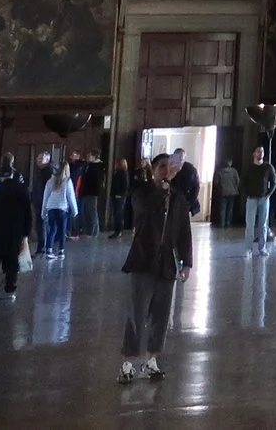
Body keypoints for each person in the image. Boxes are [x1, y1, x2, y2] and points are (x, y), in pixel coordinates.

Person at [120, 154, 193, 383]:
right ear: (153, 170)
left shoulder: (178, 198)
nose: (165, 171)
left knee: (161, 315)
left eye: (169, 167)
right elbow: (143, 212)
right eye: (161, 167)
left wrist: (187, 262)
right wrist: (161, 189)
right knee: (138, 312)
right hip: (143, 262)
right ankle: (128, 362)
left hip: (166, 265)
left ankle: (152, 360)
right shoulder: (141, 193)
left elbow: (184, 231)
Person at [0, 162, 32, 299]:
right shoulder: (22, 191)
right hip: (15, 232)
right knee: (12, 262)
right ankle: (10, 289)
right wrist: (26, 233)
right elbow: (28, 214)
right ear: (13, 174)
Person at [41, 157, 77, 260]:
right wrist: (74, 211)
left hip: (51, 207)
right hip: (62, 208)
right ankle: (61, 251)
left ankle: (49, 250)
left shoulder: (50, 181)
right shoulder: (67, 182)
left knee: (52, 229)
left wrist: (43, 212)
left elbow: (46, 196)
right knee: (62, 230)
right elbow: (70, 197)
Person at [244, 150, 276, 255]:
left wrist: (268, 195)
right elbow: (243, 182)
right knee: (250, 225)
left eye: (262, 151)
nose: (260, 153)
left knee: (263, 224)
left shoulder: (268, 167)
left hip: (264, 199)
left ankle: (262, 248)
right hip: (251, 199)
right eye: (258, 151)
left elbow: (274, 182)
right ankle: (248, 249)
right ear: (253, 153)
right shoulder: (249, 168)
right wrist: (247, 194)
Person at [75, 152, 103, 240]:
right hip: (86, 192)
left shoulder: (97, 166)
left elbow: (97, 182)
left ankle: (93, 232)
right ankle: (91, 230)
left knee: (92, 212)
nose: (88, 157)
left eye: (90, 155)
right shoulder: (88, 165)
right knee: (87, 211)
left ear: (94, 157)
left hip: (92, 193)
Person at [107, 157, 132, 237]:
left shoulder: (124, 173)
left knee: (118, 213)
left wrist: (120, 194)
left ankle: (118, 230)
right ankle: (116, 230)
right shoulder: (117, 172)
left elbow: (125, 186)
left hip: (119, 197)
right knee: (115, 213)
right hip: (115, 195)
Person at [214, 159, 241, 231]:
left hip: (222, 192)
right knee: (230, 209)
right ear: (230, 163)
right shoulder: (234, 171)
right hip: (232, 192)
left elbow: (216, 183)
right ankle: (228, 223)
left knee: (222, 208)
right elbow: (238, 181)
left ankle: (222, 223)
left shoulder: (220, 172)